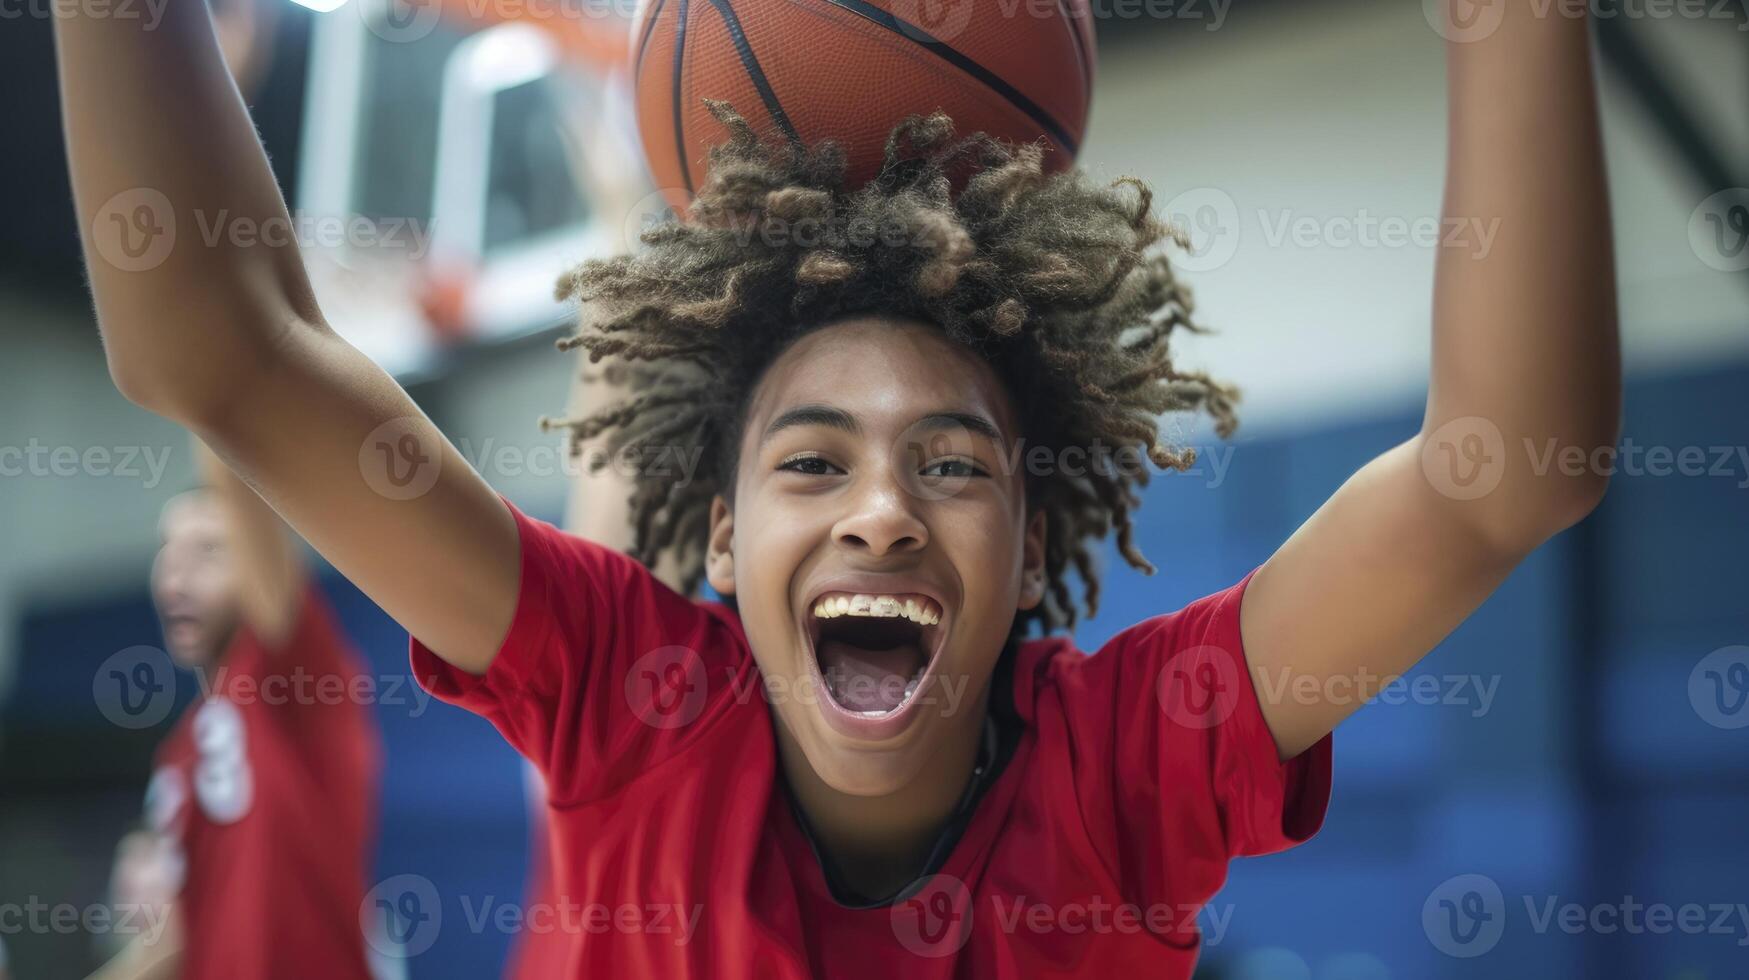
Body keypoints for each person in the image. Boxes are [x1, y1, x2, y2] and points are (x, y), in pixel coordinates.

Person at [55, 2, 1619, 975]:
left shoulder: (1123, 767)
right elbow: (232, 355)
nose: (881, 507)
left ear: (1031, 535)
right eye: (814, 461)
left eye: (952, 464)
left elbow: (1507, 477)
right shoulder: (632, 693)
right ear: (722, 539)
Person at [87, 443, 381, 980]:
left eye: (208, 554)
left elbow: (248, 497)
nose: (176, 580)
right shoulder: (179, 754)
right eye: (168, 554)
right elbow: (177, 934)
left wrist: (201, 381)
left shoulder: (295, 677)